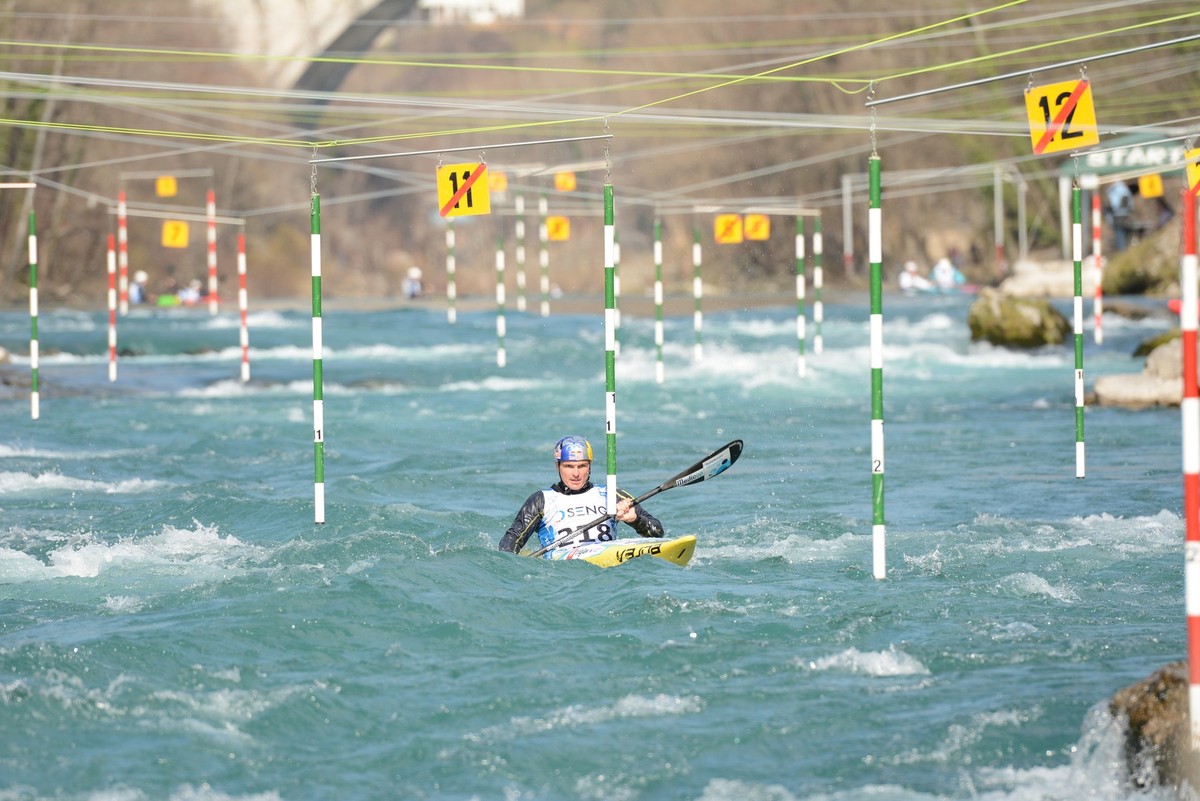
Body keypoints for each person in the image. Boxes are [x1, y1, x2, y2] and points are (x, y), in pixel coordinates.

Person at [499, 435, 664, 556]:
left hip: (608, 560)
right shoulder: (541, 500)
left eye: (582, 466)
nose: (576, 473)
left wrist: (635, 520)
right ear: (558, 466)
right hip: (563, 570)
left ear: (589, 466)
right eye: (569, 466)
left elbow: (658, 532)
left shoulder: (610, 493)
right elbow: (511, 541)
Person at [1106, 180, 1136, 251]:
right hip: (1125, 213)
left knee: (1119, 232)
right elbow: (1130, 202)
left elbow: (1114, 202)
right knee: (1122, 231)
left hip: (1118, 213)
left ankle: (1121, 249)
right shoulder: (1125, 189)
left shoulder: (1115, 189)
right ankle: (1123, 249)